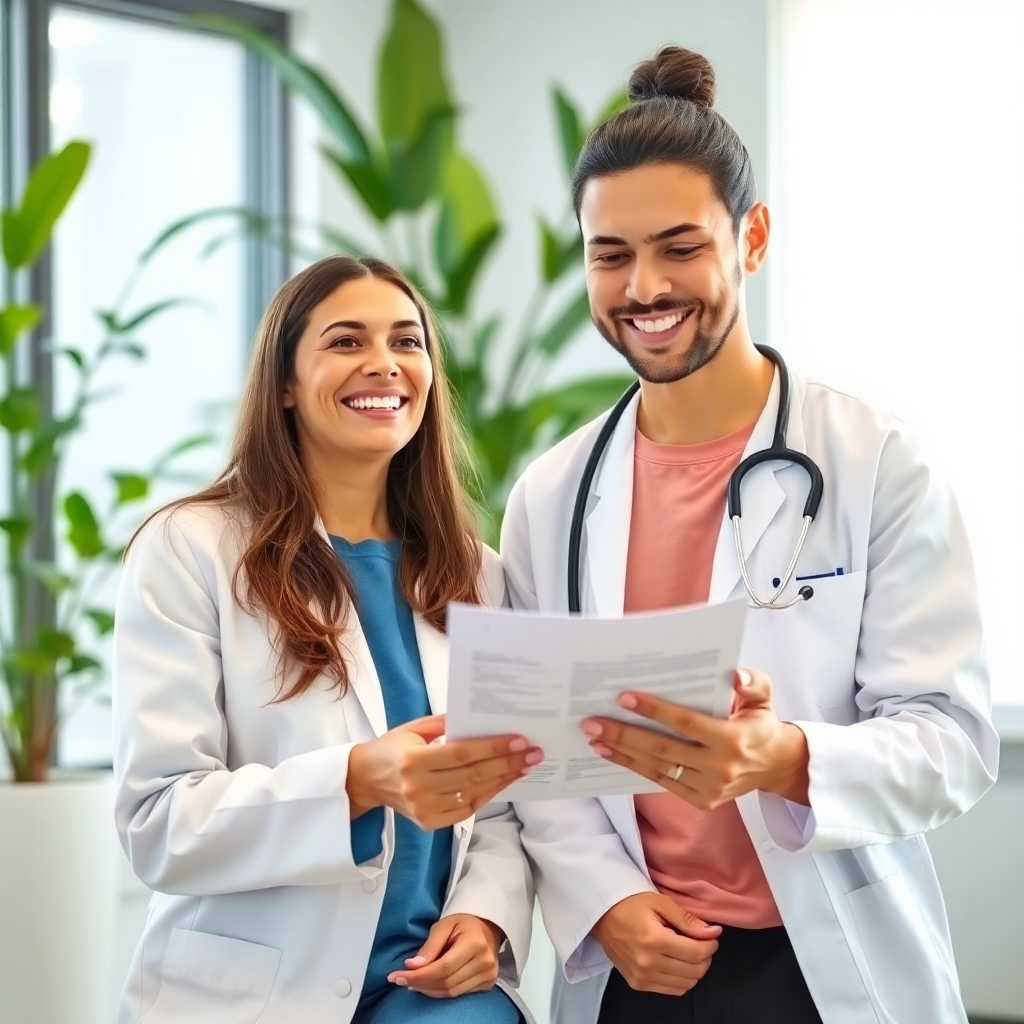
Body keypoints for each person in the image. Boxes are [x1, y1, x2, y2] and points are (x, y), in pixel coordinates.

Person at [503, 46, 998, 1024]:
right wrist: (606, 903)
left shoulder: (871, 458)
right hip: (638, 963)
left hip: (824, 961)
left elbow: (952, 738)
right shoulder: (552, 493)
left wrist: (780, 757)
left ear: (752, 236)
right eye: (611, 254)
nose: (643, 286)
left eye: (679, 246)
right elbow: (536, 748)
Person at [112, 255, 541, 1024]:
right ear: (283, 383)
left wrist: (486, 916)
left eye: (408, 342)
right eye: (347, 342)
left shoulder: (477, 574)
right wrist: (355, 780)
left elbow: (506, 800)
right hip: (255, 994)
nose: (384, 364)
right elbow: (158, 823)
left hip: (424, 986)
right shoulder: (189, 548)